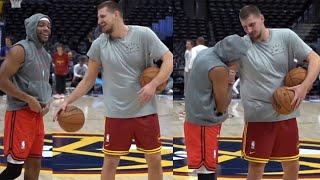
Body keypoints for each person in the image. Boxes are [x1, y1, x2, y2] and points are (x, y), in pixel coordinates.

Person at [54, 1, 173, 180]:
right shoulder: (99, 44)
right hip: (116, 114)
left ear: (116, 14)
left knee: (155, 160)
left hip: (145, 112)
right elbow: (88, 80)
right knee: (110, 162)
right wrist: (67, 101)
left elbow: (169, 58)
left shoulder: (143, 34)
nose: (99, 21)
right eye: (98, 17)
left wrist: (153, 84)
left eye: (103, 16)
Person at [236, 5, 320, 180]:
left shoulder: (286, 36)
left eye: (252, 25)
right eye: (245, 27)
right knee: (256, 166)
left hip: (287, 113)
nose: (249, 30)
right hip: (258, 116)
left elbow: (315, 58)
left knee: (292, 165)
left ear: (262, 19)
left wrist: (304, 86)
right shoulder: (241, 45)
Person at [184, 34, 249, 180]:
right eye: (239, 58)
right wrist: (231, 77)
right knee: (206, 171)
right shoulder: (219, 69)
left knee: (207, 169)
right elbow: (222, 106)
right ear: (233, 56)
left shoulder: (207, 52)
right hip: (203, 124)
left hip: (196, 118)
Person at [0, 13, 52, 180]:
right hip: (20, 114)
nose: (46, 29)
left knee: (34, 167)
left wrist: (47, 102)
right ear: (31, 27)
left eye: (48, 26)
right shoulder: (19, 49)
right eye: (41, 25)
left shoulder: (46, 55)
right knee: (14, 170)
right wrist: (28, 99)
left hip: (37, 117)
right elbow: (1, 80)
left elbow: (44, 84)